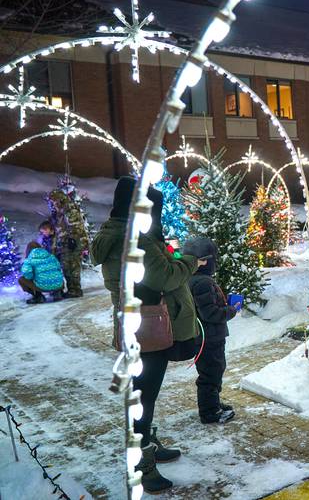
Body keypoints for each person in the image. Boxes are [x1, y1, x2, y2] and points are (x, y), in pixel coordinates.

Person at [90, 177, 202, 494]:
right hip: (147, 328)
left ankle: (148, 444)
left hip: (137, 324)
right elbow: (165, 276)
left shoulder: (120, 233)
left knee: (143, 393)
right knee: (143, 397)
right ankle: (141, 463)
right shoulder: (134, 240)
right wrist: (191, 261)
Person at [183, 237, 238, 424]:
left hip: (203, 336)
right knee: (211, 373)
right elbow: (211, 313)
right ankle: (210, 412)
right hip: (209, 337)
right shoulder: (203, 282)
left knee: (212, 370)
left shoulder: (191, 279)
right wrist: (232, 309)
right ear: (205, 261)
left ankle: (213, 403)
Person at [49, 190, 89, 298]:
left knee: (73, 266)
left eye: (54, 200)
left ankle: (75, 290)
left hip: (73, 242)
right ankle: (72, 289)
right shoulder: (58, 210)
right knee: (66, 266)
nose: (52, 203)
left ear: (59, 198)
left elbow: (76, 224)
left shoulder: (69, 207)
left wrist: (73, 239)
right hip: (64, 243)